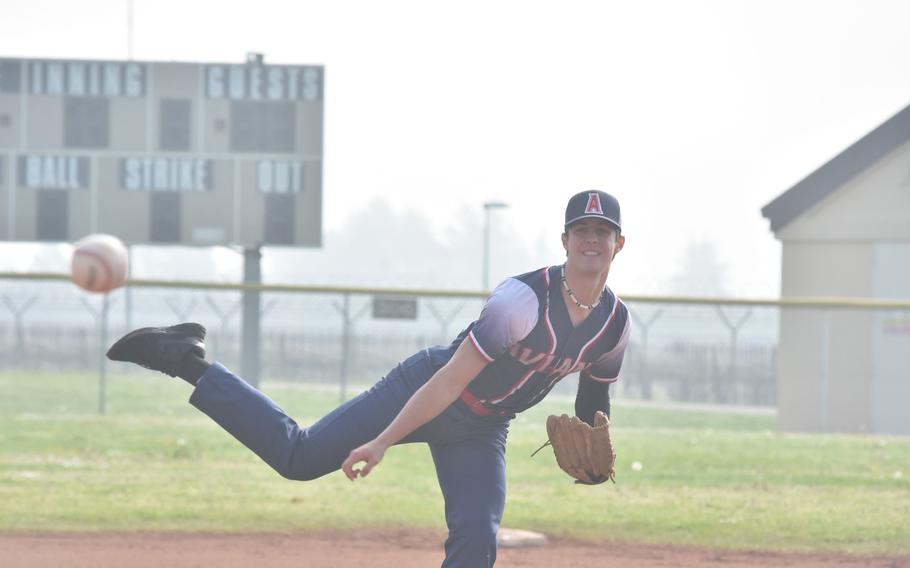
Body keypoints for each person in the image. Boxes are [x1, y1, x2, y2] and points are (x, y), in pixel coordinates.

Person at [107, 190, 631, 568]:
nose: (591, 239)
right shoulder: (519, 302)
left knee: (476, 536)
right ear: (564, 240)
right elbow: (449, 382)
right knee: (299, 457)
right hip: (427, 388)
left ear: (618, 243)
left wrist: (588, 461)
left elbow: (593, 401)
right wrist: (382, 441)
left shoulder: (615, 324)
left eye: (601, 231)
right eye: (582, 231)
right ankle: (185, 359)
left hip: (482, 427)